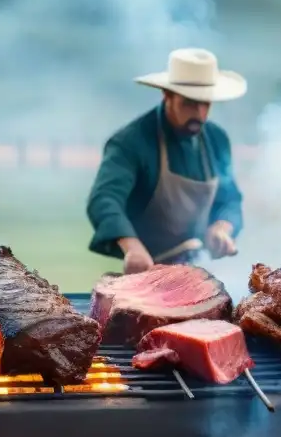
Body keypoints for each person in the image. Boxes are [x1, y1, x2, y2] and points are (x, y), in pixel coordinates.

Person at [86, 48, 247, 273]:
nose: (200, 114)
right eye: (189, 103)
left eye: (206, 104)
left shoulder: (217, 139)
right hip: (147, 270)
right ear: (167, 95)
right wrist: (132, 246)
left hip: (201, 268)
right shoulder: (130, 141)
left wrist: (222, 227)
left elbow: (230, 200)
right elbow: (104, 200)